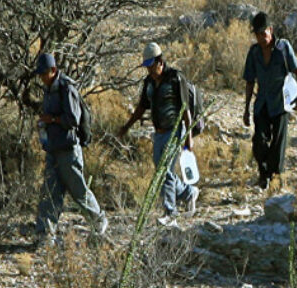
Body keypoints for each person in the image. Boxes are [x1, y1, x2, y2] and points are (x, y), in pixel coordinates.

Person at [118, 43, 199, 224]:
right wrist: (127, 126)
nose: (149, 70)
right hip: (159, 133)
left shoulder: (175, 79)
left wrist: (189, 137)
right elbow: (141, 107)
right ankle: (189, 192)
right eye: (147, 66)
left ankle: (170, 213)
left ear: (160, 62)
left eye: (151, 66)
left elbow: (185, 110)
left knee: (165, 171)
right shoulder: (149, 83)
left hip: (175, 130)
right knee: (161, 171)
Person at [35, 54, 109, 244]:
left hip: (68, 150)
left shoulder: (67, 88)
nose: (42, 77)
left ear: (53, 70)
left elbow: (72, 120)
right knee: (50, 193)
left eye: (44, 73)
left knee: (79, 191)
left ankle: (99, 221)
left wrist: (51, 119)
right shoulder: (49, 89)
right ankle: (45, 235)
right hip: (53, 148)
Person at [243, 12, 297, 188]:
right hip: (262, 102)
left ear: (271, 30)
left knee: (278, 143)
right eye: (257, 34)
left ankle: (275, 177)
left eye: (264, 33)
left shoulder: (283, 48)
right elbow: (249, 81)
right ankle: (264, 173)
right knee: (259, 141)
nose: (261, 38)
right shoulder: (254, 52)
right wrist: (246, 108)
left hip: (281, 102)